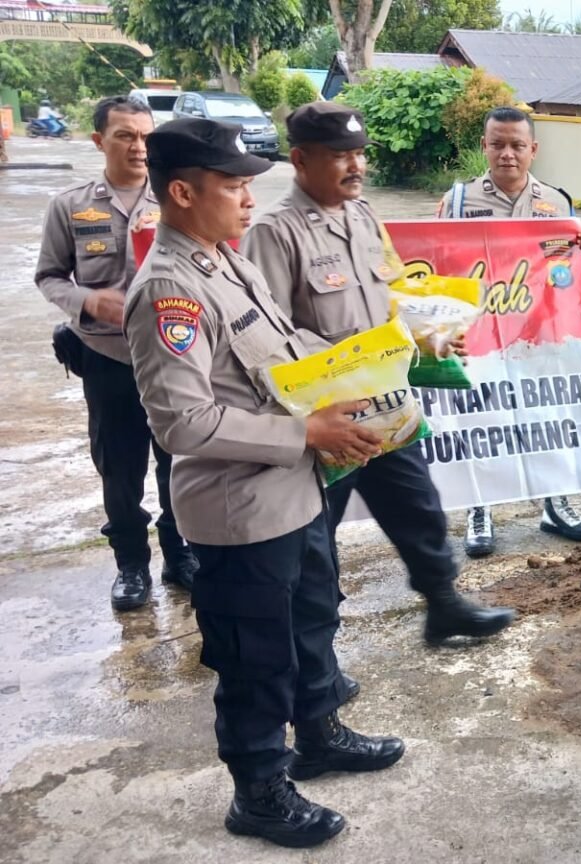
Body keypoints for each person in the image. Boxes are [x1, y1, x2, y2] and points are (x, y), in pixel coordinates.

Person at [124, 117, 405, 849]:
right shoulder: (170, 291)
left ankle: (319, 735)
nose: (250, 198)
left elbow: (287, 347)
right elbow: (182, 424)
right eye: (234, 185)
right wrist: (304, 432)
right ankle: (259, 791)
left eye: (251, 184)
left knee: (312, 622)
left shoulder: (226, 260)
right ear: (182, 193)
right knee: (255, 658)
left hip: (296, 493)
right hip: (241, 512)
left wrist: (367, 365)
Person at [242, 102, 515, 646]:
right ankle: (312, 658)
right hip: (329, 418)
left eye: (360, 154)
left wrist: (430, 336)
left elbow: (389, 300)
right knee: (313, 541)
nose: (356, 166)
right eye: (341, 156)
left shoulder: (363, 216)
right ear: (299, 159)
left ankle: (443, 605)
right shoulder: (276, 233)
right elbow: (269, 337)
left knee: (419, 509)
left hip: (388, 406)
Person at [35, 95, 196, 612]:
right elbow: (49, 276)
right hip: (108, 358)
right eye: (125, 135)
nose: (138, 146)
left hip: (174, 357)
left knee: (179, 462)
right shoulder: (71, 206)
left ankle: (181, 553)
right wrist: (87, 301)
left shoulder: (177, 197)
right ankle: (131, 565)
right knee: (119, 468)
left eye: (146, 135)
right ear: (99, 140)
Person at [437, 105, 581, 554]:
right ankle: (480, 508)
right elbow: (439, 265)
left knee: (546, 414)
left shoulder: (558, 204)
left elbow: (569, 275)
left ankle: (555, 503)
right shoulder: (456, 202)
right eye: (498, 144)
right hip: (482, 335)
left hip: (540, 334)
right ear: (484, 147)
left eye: (517, 145)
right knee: (482, 418)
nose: (507, 154)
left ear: (534, 149)